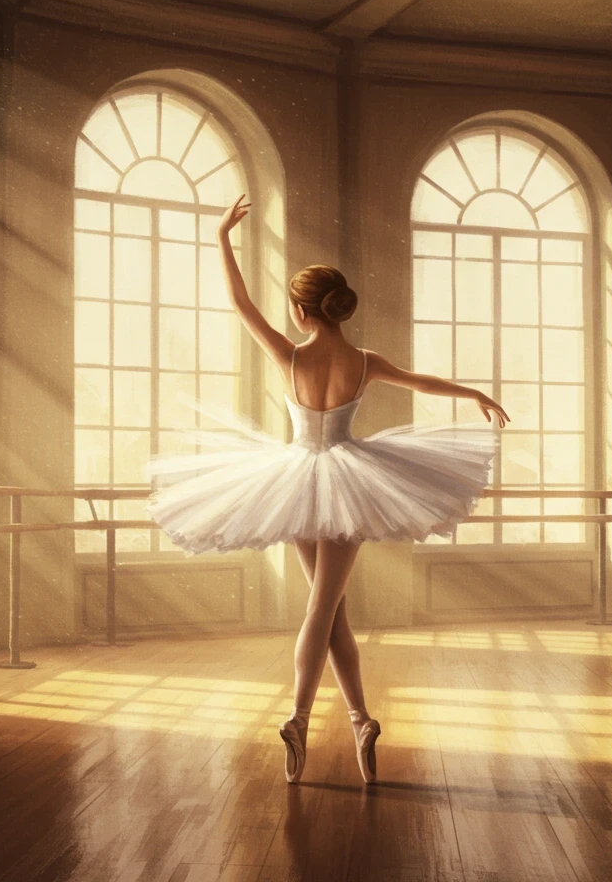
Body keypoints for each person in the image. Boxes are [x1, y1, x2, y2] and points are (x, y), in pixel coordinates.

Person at [147, 195, 509, 785]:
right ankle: (357, 720)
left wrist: (220, 238)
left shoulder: (290, 355)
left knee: (323, 607)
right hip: (344, 480)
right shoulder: (364, 359)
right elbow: (421, 380)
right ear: (335, 308)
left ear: (300, 310)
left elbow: (239, 304)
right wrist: (472, 393)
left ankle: (302, 718)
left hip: (297, 478)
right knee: (329, 610)